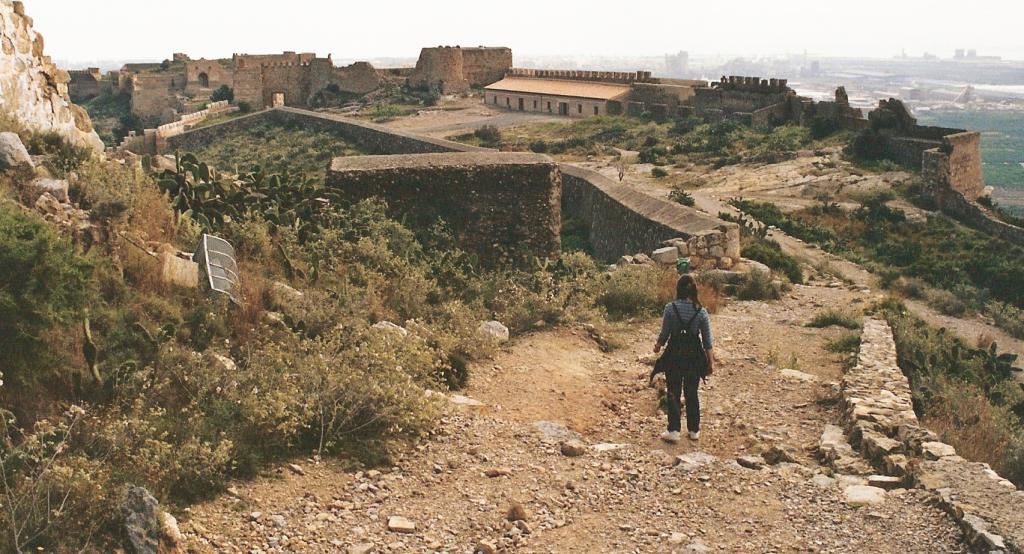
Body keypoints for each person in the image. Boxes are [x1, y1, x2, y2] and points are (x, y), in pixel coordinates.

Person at [653, 275, 715, 443]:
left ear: (678, 289)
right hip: (693, 356)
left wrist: (658, 345)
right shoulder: (701, 311)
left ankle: (674, 430)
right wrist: (710, 362)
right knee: (691, 392)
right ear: (694, 290)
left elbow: (665, 334)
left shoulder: (670, 308)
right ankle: (694, 430)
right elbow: (707, 341)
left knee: (673, 391)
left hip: (674, 354)